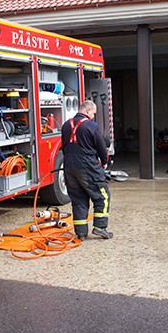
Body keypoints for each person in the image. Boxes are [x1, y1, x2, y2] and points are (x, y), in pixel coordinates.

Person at [61, 100, 112, 240]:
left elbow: (64, 146)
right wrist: (104, 161)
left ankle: (81, 233)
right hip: (87, 165)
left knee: (78, 199)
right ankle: (100, 227)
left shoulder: (66, 125)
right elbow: (101, 145)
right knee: (102, 195)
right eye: (93, 113)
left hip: (69, 166)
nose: (93, 117)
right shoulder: (91, 126)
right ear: (88, 111)